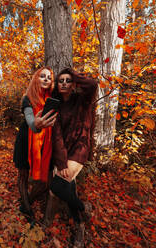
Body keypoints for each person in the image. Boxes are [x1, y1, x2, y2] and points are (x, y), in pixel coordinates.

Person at [49, 68, 98, 245]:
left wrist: (71, 73)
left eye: (67, 80)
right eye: (60, 80)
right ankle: (80, 224)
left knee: (57, 186)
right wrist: (61, 162)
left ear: (73, 84)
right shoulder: (56, 106)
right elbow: (57, 136)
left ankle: (82, 209)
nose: (63, 83)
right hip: (65, 151)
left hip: (79, 149)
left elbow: (92, 84)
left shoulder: (82, 100)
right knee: (66, 187)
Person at [13, 66, 58, 220]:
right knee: (23, 175)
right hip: (26, 141)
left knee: (45, 182)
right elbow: (30, 120)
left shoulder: (52, 99)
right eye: (42, 76)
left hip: (46, 143)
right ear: (36, 79)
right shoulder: (28, 98)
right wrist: (36, 123)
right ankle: (26, 208)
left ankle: (26, 202)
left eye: (49, 77)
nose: (46, 79)